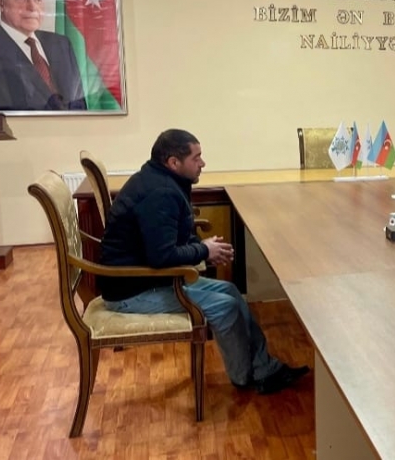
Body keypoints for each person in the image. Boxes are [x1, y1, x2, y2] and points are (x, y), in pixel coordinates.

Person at [98, 129, 309, 393]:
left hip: (147, 279)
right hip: (131, 292)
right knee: (225, 307)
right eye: (196, 158)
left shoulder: (160, 180)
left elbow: (170, 238)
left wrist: (202, 247)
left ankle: (264, 368)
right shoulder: (161, 193)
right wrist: (204, 251)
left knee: (231, 291)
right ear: (173, 162)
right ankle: (245, 378)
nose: (203, 163)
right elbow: (161, 256)